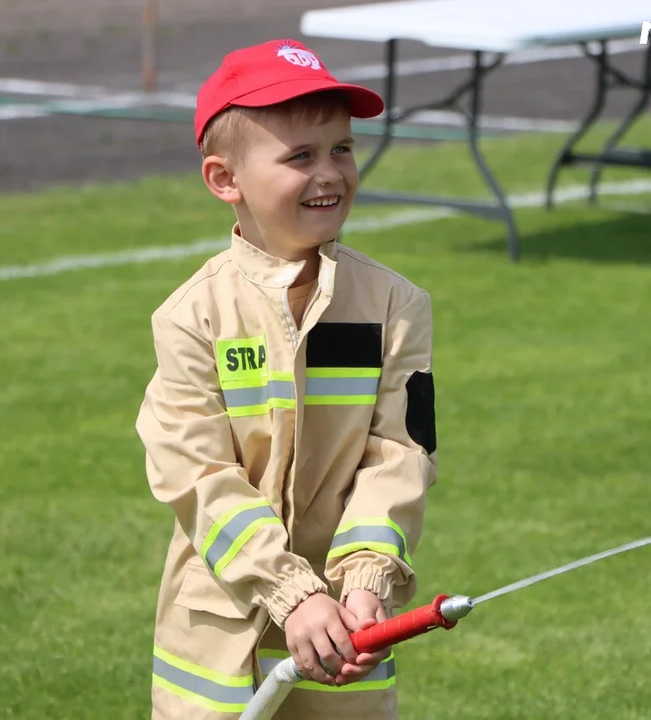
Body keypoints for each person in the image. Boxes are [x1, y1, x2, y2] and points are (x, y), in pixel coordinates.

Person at [134, 38, 439, 720]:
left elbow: (400, 457)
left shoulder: (396, 306)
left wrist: (363, 582)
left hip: (346, 638)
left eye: (342, 149)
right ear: (224, 179)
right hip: (217, 646)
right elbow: (194, 474)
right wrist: (289, 590)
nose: (329, 172)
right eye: (300, 156)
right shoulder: (192, 318)